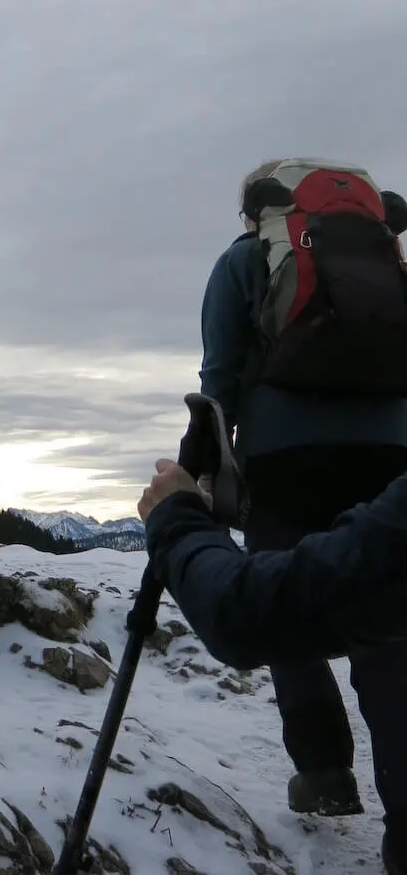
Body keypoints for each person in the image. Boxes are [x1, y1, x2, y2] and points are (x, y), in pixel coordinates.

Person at [199, 160, 407, 819]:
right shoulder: (386, 259)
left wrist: (204, 469)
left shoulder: (244, 260)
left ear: (257, 213)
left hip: (284, 460)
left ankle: (324, 774)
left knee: (284, 607)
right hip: (390, 458)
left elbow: (218, 376)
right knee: (390, 630)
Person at [140, 459, 407, 875]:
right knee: (388, 640)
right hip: (387, 455)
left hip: (278, 467)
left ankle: (321, 768)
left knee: (290, 597)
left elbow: (246, 613)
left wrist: (178, 521)